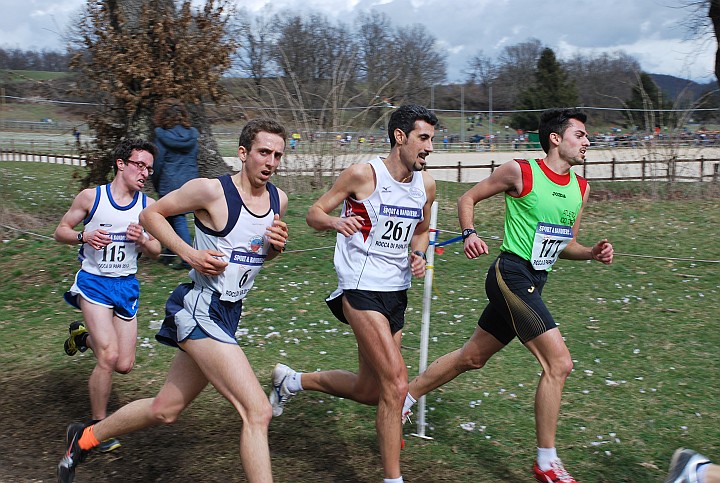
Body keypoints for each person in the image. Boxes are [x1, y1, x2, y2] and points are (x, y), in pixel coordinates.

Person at [57, 119, 290, 483]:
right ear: (243, 153)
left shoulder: (278, 199)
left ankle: (84, 439)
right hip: (201, 308)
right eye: (263, 152)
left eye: (278, 154)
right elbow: (151, 215)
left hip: (229, 312)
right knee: (257, 411)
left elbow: (258, 255)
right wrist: (189, 254)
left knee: (165, 409)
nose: (271, 161)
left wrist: (274, 249)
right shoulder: (211, 191)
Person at [401, 108, 614, 483]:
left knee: (472, 357)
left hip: (536, 280)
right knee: (559, 364)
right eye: (579, 135)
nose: (587, 142)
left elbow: (567, 245)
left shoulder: (581, 188)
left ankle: (402, 400)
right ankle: (546, 462)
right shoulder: (521, 171)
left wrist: (591, 253)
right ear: (555, 138)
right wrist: (469, 233)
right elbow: (467, 199)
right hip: (510, 275)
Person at [268, 104, 438, 483]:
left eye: (431, 139)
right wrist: (335, 221)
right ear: (400, 137)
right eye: (423, 138)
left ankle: (291, 381)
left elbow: (423, 229)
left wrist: (419, 254)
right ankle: (393, 479)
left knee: (370, 389)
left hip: (396, 292)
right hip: (360, 289)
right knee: (396, 384)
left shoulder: (426, 185)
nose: (429, 147)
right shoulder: (364, 175)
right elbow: (313, 213)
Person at [54, 139, 162, 454]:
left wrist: (143, 239)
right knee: (109, 356)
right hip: (94, 284)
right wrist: (82, 236)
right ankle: (97, 427)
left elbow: (157, 251)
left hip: (126, 286)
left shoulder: (147, 206)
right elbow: (61, 230)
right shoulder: (92, 197)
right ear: (121, 163)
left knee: (124, 364)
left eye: (149, 169)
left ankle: (80, 336)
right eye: (139, 165)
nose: (144, 173)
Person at [151, 98, 200, 269]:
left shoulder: (161, 138)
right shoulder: (192, 137)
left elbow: (157, 164)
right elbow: (193, 160)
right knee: (171, 218)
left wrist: (156, 182)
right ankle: (170, 252)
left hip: (169, 182)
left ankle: (188, 258)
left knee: (176, 218)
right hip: (190, 183)